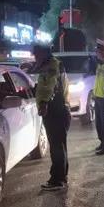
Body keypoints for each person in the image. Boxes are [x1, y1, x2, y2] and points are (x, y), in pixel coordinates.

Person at [33, 45, 71, 191]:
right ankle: (61, 177)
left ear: (44, 54)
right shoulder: (52, 64)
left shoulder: (52, 66)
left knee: (56, 147)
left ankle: (57, 180)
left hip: (56, 110)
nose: (35, 58)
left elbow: (50, 87)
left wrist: (44, 103)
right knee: (59, 145)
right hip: (57, 109)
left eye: (37, 55)